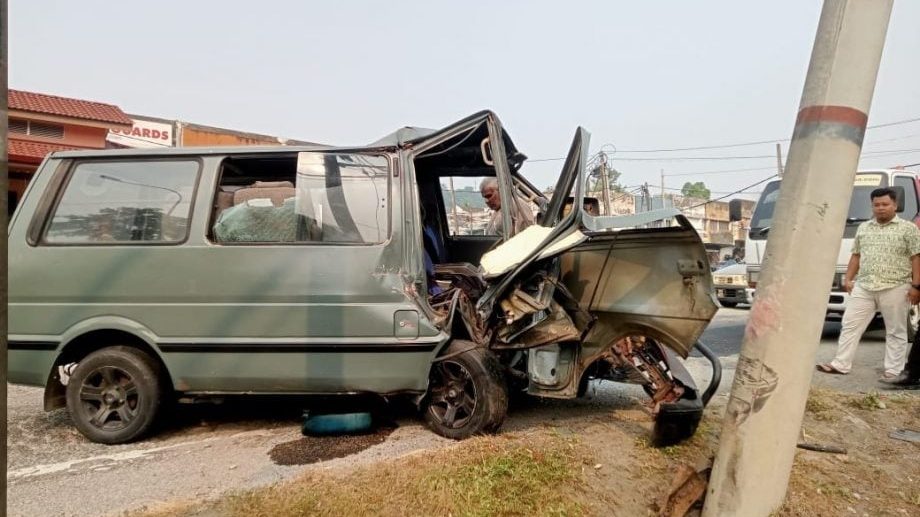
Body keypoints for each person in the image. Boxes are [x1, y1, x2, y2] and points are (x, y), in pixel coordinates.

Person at [817, 187, 920, 379]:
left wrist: (916, 286)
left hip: (896, 286)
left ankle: (893, 370)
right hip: (864, 285)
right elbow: (856, 255)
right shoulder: (864, 228)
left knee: (895, 330)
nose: (880, 208)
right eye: (876, 205)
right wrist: (848, 278)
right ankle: (841, 364)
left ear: (895, 205)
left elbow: (916, 257)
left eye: (885, 204)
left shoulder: (908, 228)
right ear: (872, 206)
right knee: (850, 324)